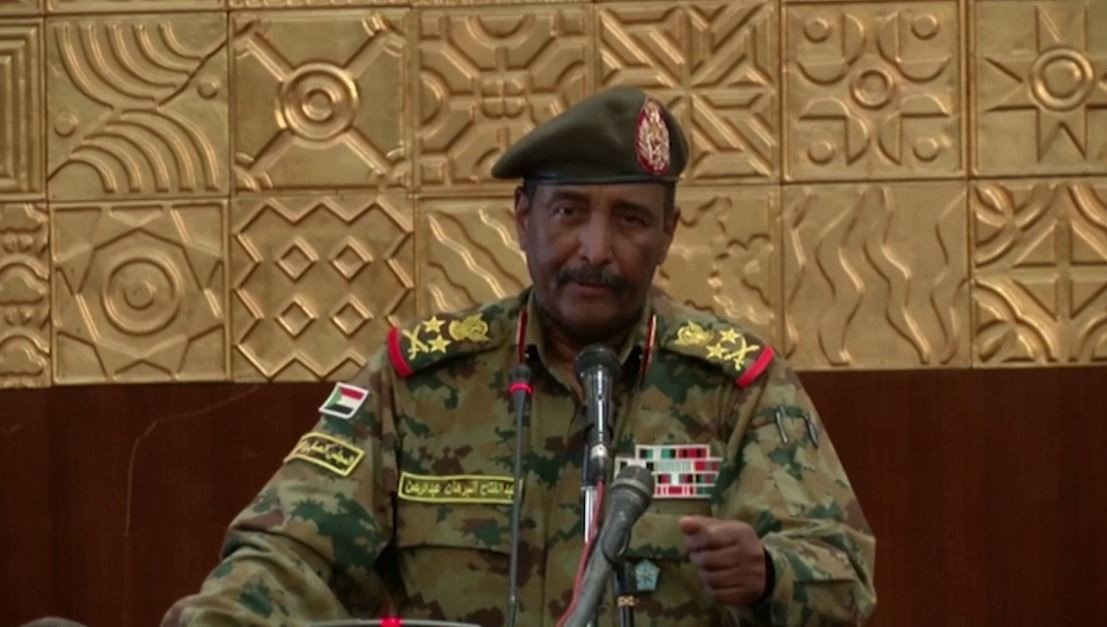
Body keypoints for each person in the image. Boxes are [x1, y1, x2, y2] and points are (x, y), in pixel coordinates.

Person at [162, 86, 876, 627]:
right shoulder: (422, 383)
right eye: (569, 212)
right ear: (523, 217)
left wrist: (769, 574)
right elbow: (289, 553)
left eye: (629, 220)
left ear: (667, 233)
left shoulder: (734, 387)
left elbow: (842, 578)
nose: (595, 250)